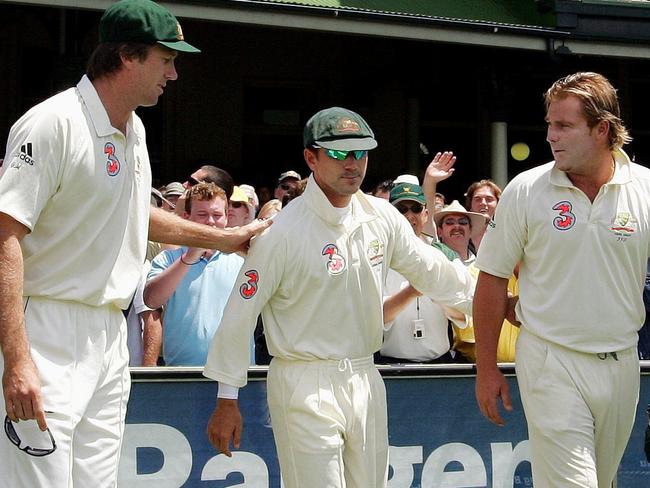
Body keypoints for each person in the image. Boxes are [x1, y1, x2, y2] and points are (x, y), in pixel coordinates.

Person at [0, 2, 269, 486]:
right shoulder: (51, 123)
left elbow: (137, 217)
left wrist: (226, 240)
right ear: (126, 56)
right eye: (166, 59)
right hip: (45, 328)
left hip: (108, 334)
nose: (174, 73)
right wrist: (18, 359)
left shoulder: (135, 129)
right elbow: (5, 236)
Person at [203, 107, 475, 488]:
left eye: (360, 153)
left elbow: (434, 270)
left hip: (364, 375)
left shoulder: (382, 217)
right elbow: (240, 314)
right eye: (339, 153)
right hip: (303, 379)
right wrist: (227, 398)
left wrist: (492, 302)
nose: (353, 164)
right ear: (310, 157)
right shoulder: (282, 231)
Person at [474, 72, 649, 487]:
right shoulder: (525, 189)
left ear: (602, 129)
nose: (551, 135)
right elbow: (492, 279)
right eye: (550, 124)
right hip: (551, 360)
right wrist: (486, 368)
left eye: (564, 126)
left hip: (623, 364)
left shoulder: (645, 188)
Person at [144, 183, 244, 366]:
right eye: (202, 215)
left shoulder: (243, 261)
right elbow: (151, 300)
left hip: (234, 373)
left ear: (226, 219)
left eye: (217, 215)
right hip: (181, 373)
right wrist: (190, 256)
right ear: (186, 218)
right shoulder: (167, 259)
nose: (211, 222)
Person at [377, 183, 457, 364]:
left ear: (426, 214)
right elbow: (377, 317)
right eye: (401, 209)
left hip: (440, 365)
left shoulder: (444, 254)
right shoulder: (378, 256)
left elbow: (462, 312)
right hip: (391, 366)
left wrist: (438, 293)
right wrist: (413, 291)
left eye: (415, 208)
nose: (409, 216)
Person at [464, 179, 501, 250]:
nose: (483, 203)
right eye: (478, 199)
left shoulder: (506, 233)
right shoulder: (462, 233)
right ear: (470, 204)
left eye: (489, 199)